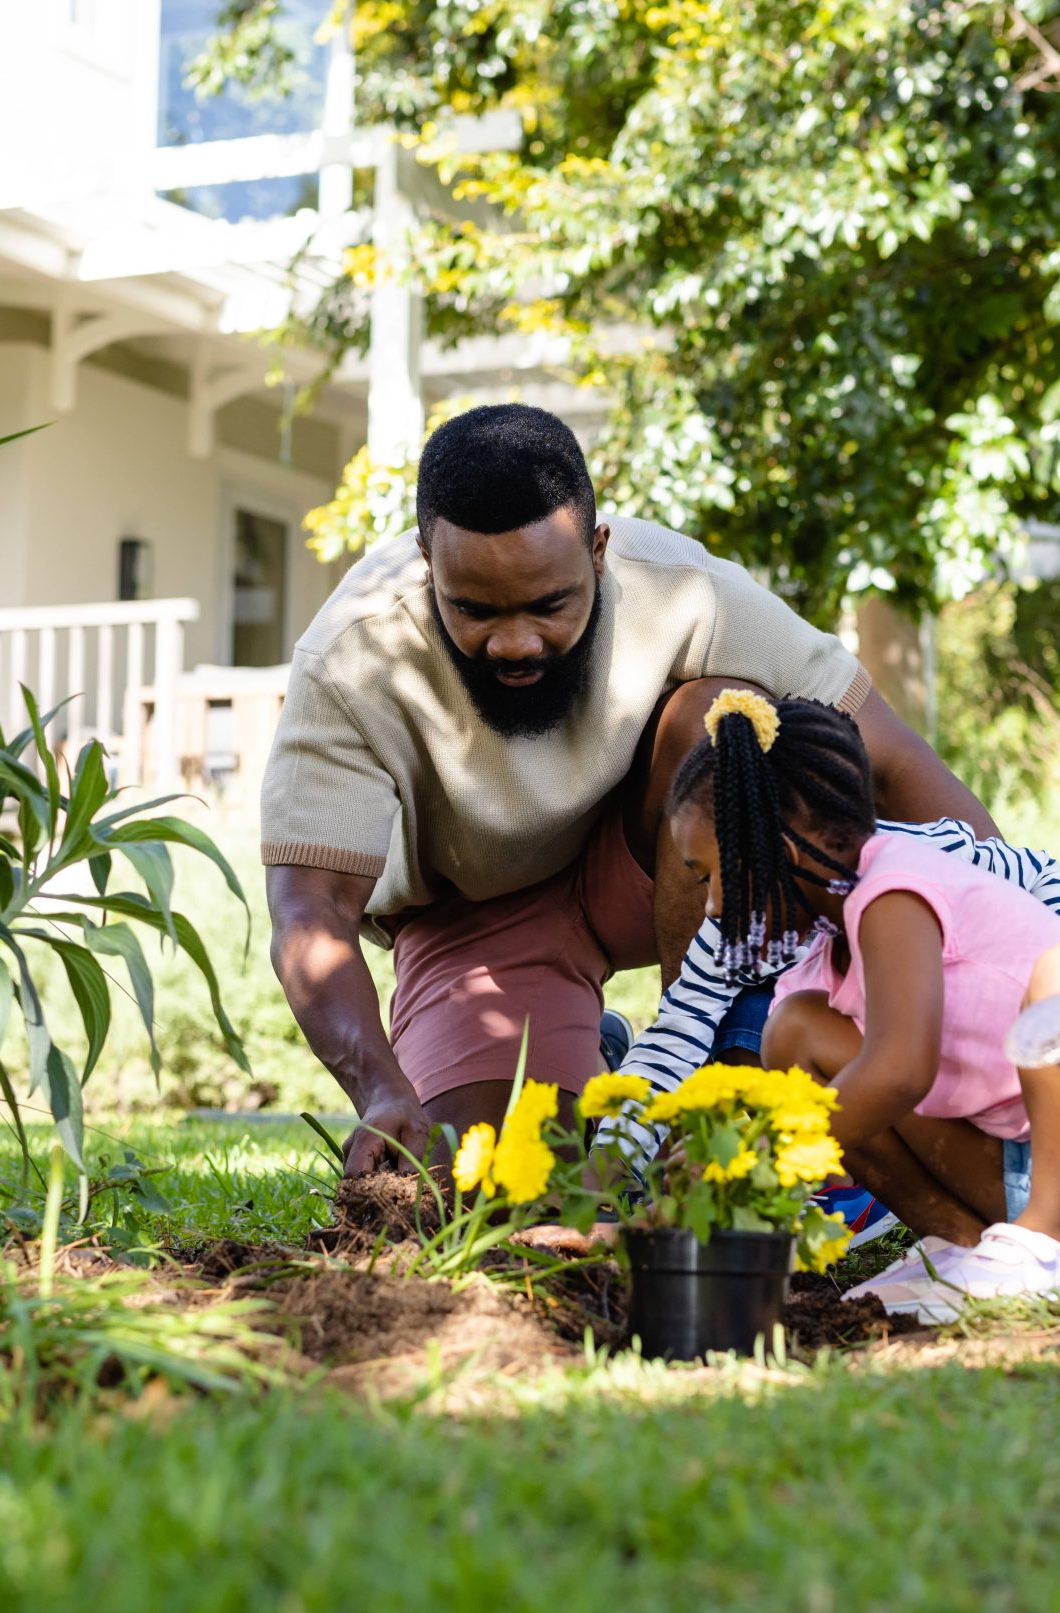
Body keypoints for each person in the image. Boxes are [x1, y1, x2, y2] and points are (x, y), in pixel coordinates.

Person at [262, 403, 995, 1175]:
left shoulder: (678, 585)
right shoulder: (353, 656)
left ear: (599, 551)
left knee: (725, 718)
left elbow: (891, 760)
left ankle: (702, 1063)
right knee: (492, 1185)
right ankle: (600, 1062)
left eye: (550, 604)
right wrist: (381, 1091)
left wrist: (1030, 959)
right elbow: (312, 915)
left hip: (656, 862)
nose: (515, 642)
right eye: (473, 610)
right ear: (426, 560)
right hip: (472, 920)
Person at [664, 687, 1060, 1316]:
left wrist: (766, 1147)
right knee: (791, 1036)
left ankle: (1049, 1245)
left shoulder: (894, 889)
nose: (713, 907)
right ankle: (966, 1246)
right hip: (995, 1172)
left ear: (775, 851)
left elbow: (899, 1072)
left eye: (710, 875)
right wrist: (718, 1152)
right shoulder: (820, 957)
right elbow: (812, 1100)